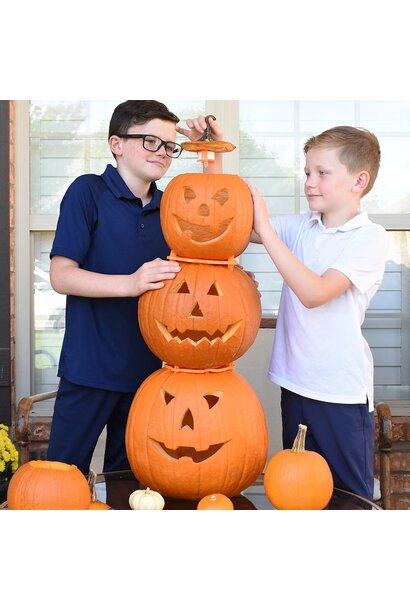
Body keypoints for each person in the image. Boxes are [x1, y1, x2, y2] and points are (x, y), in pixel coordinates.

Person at [47, 100, 223, 475]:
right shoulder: (88, 192)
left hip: (148, 376)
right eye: (150, 141)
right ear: (117, 143)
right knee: (62, 478)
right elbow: (61, 276)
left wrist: (209, 154)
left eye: (170, 145)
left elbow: (221, 224)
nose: (162, 152)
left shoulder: (172, 207)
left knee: (130, 484)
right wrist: (130, 283)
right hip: (87, 370)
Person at [248, 125, 389, 500]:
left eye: (322, 173)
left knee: (349, 502)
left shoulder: (369, 238)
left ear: (359, 180)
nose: (309, 182)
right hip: (295, 386)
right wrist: (210, 156)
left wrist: (267, 228)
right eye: (307, 172)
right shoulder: (302, 226)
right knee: (298, 497)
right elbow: (229, 218)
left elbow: (314, 293)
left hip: (339, 395)